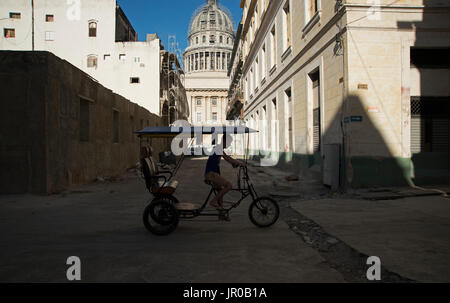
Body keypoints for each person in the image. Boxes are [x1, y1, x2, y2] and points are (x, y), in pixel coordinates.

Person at [205, 134, 246, 209]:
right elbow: (227, 158)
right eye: (229, 142)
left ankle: (222, 213)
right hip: (211, 174)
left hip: (213, 174)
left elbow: (227, 158)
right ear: (224, 141)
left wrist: (234, 163)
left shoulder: (219, 148)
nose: (229, 144)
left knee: (220, 193)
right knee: (229, 186)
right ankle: (213, 201)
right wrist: (239, 163)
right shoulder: (218, 148)